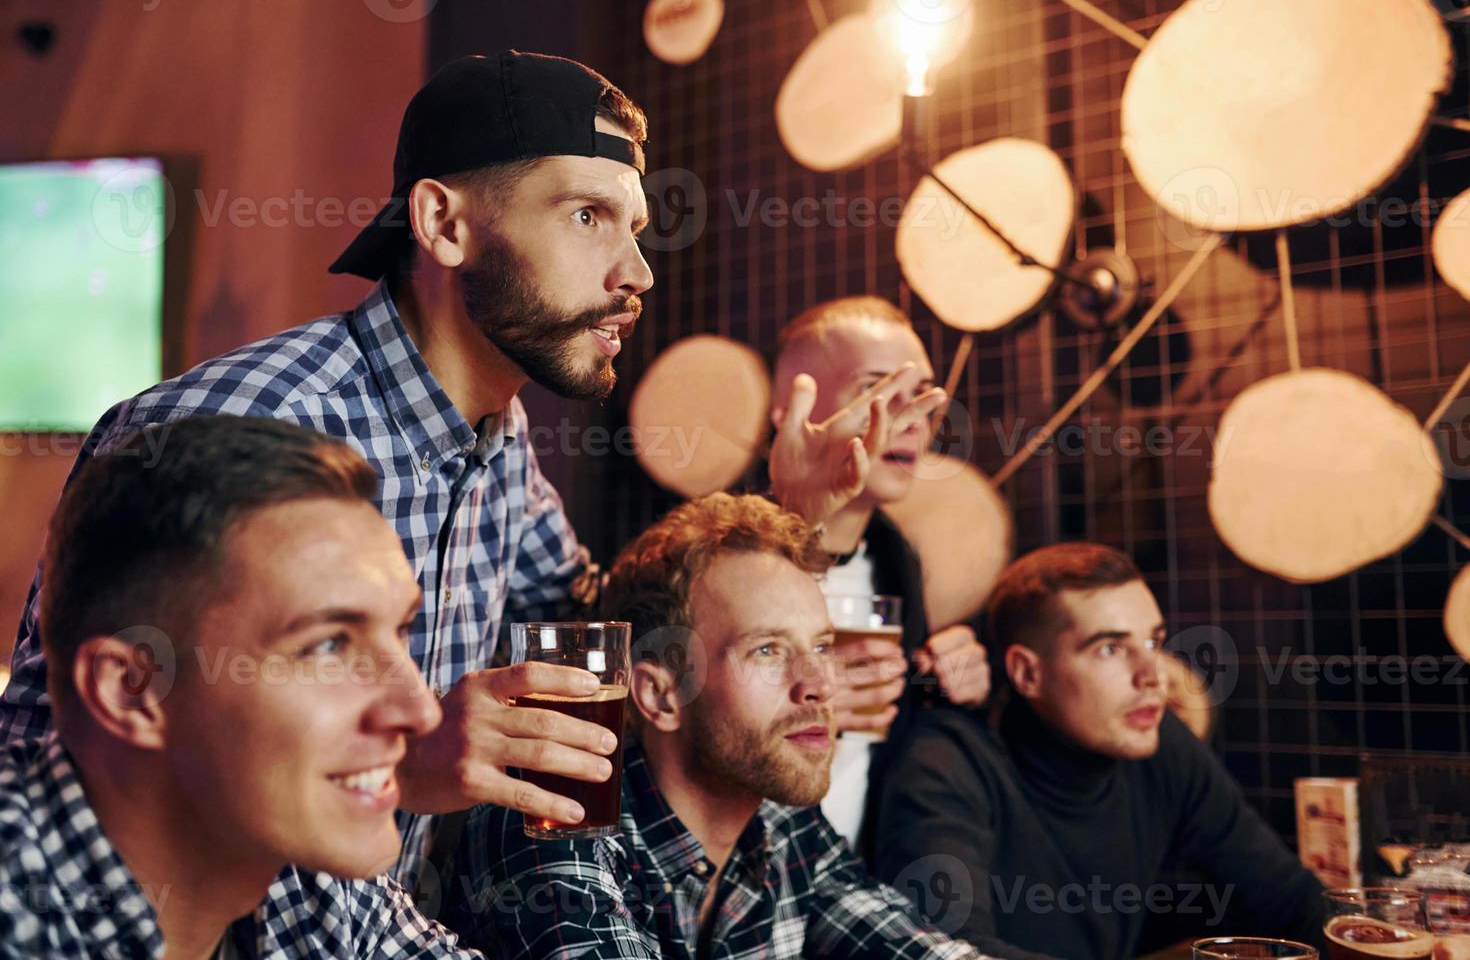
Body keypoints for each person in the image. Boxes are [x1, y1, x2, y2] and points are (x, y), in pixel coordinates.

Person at [0, 51, 933, 900]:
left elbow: (604, 635)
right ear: (443, 223)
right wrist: (401, 761)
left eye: (635, 227)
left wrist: (798, 512)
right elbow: (52, 777)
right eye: (586, 217)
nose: (638, 270)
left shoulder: (500, 440)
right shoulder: (231, 428)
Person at [444, 494, 999, 960]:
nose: (820, 685)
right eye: (767, 650)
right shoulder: (558, 815)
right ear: (662, 695)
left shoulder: (780, 822)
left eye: (822, 647)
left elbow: (911, 946)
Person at [0, 416, 477, 958]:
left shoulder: (299, 862)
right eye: (327, 646)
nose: (421, 713)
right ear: (130, 691)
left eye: (401, 629)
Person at [873, 543, 1327, 959]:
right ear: (1027, 673)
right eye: (1110, 648)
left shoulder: (1161, 740)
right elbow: (953, 953)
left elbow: (1287, 899)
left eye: (1152, 640)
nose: (1153, 675)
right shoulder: (946, 762)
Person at [771, 296, 990, 856]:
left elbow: (889, 737)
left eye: (920, 396)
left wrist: (949, 682)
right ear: (792, 411)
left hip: (852, 884)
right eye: (880, 391)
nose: (913, 418)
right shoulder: (719, 550)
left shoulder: (898, 560)